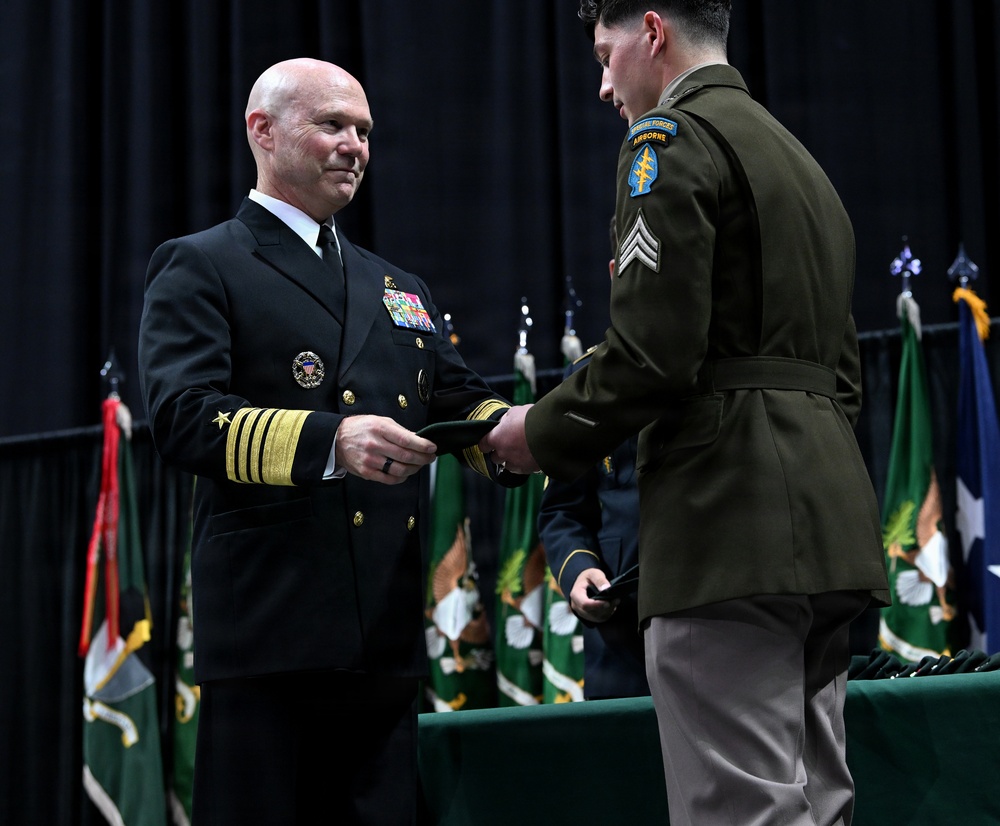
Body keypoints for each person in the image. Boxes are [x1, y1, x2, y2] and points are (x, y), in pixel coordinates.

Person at [482, 3, 891, 824]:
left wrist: (539, 434)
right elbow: (844, 381)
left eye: (607, 55)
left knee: (738, 810)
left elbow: (652, 356)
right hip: (829, 530)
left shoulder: (666, 141)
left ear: (653, 32)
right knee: (818, 804)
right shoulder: (801, 165)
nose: (604, 86)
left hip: (721, 530)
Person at [138, 57, 525, 826]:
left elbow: (460, 402)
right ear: (263, 130)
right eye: (333, 125)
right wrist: (332, 440)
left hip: (381, 635)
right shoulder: (204, 263)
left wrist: (527, 431)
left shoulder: (397, 287)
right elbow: (182, 417)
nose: (355, 146)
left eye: (365, 131)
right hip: (270, 635)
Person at [537, 216, 648, 699]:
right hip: (623, 641)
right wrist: (579, 570)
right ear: (614, 272)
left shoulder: (728, 374)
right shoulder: (586, 382)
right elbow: (563, 510)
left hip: (719, 623)